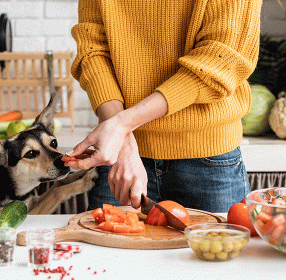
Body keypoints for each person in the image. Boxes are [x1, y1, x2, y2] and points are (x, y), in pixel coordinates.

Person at [65, 0, 262, 213]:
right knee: (104, 245)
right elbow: (93, 51)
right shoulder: (121, 143)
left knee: (216, 247)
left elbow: (222, 58)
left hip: (208, 160)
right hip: (121, 157)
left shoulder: (120, 130)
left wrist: (121, 126)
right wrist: (123, 142)